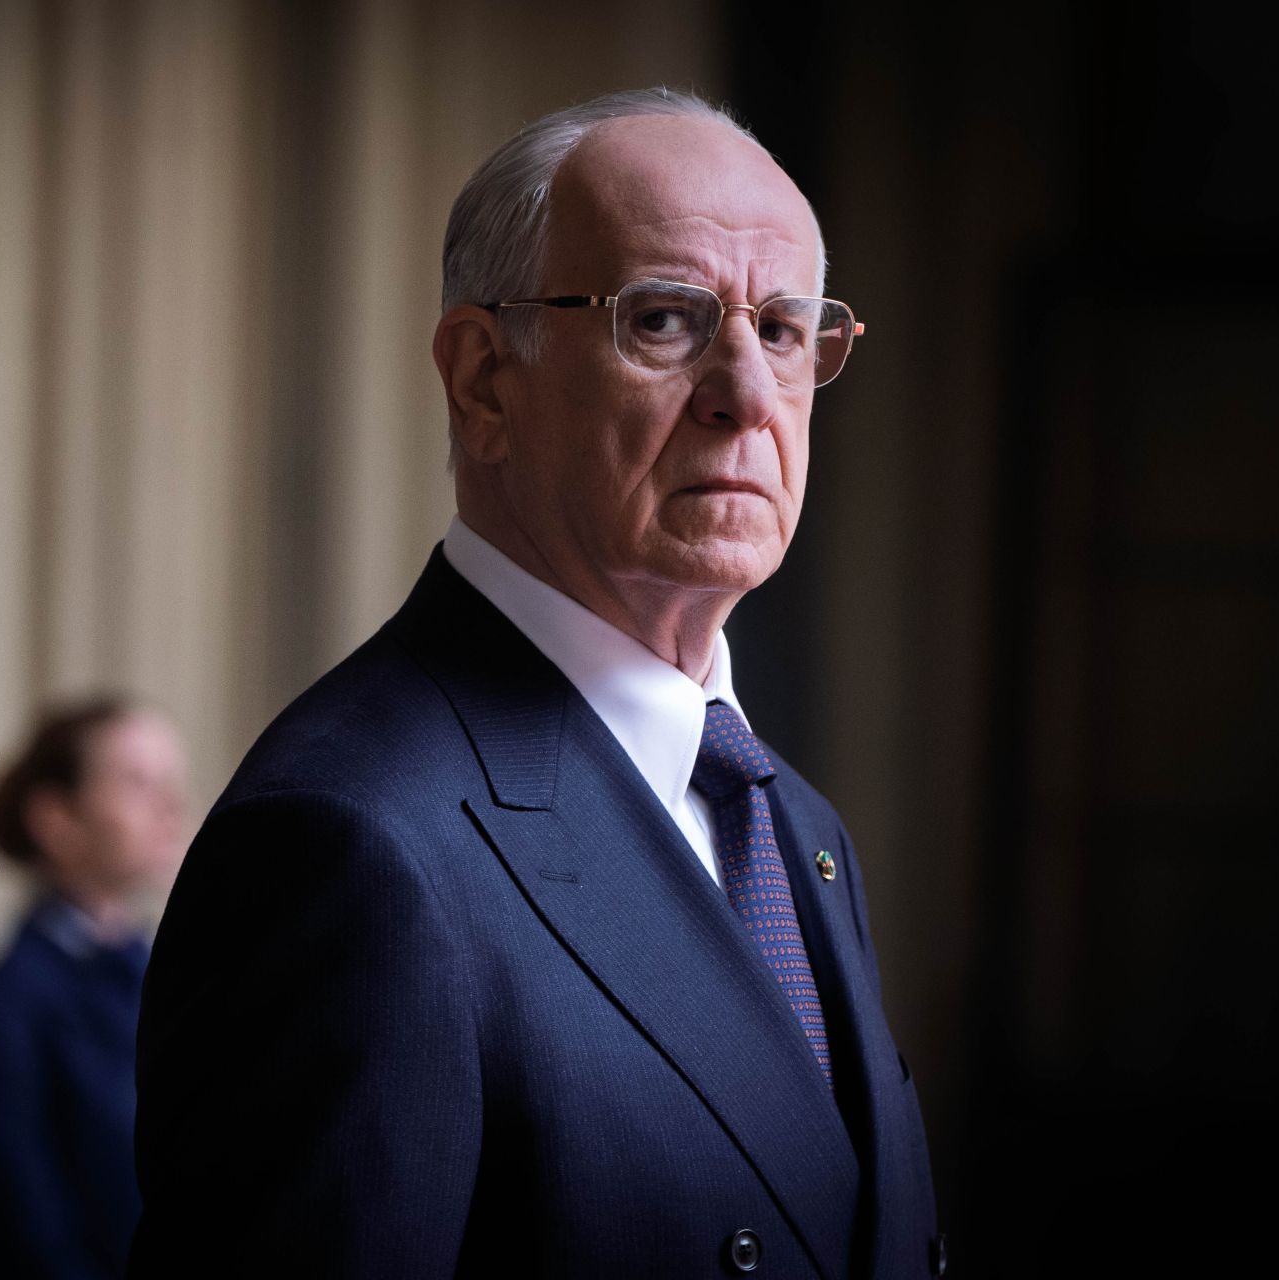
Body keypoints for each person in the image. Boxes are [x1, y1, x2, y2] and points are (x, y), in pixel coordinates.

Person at [130, 88, 943, 1279]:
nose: (747, 393)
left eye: (782, 330)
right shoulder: (351, 843)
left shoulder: (794, 824)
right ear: (483, 380)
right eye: (664, 319)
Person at [0, 697, 190, 1280]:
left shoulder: (186, 982)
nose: (171, 805)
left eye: (170, 781)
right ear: (56, 819)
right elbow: (30, 1235)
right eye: (137, 783)